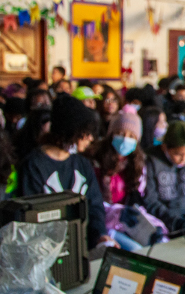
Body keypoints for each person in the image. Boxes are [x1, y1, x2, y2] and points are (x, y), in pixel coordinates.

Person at [17, 95, 111, 251]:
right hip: (46, 248)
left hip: (83, 244)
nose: (90, 138)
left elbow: (95, 206)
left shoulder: (82, 164)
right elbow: (30, 215)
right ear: (70, 130)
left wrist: (100, 234)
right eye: (85, 132)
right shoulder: (34, 165)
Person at [90, 105, 168, 250]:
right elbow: (94, 203)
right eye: (120, 133)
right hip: (105, 223)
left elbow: (139, 198)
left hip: (129, 220)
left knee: (160, 242)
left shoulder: (138, 164)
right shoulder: (96, 162)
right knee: (135, 250)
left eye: (131, 136)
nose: (125, 139)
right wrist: (118, 213)